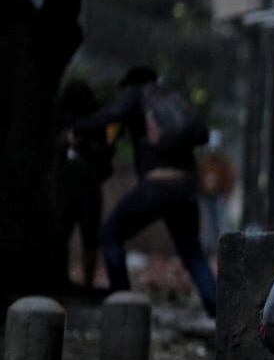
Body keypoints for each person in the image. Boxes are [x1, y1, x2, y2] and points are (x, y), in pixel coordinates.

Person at [73, 66, 217, 316]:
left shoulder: (136, 94)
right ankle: (219, 312)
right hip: (185, 187)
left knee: (109, 234)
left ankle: (122, 304)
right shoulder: (172, 97)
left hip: (156, 184)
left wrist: (75, 126)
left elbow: (108, 115)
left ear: (131, 82)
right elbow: (201, 132)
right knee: (192, 253)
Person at [56, 80, 115, 289]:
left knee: (88, 236)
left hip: (85, 187)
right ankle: (68, 278)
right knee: (66, 234)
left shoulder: (95, 123)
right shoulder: (64, 121)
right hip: (71, 187)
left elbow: (105, 155)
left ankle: (86, 281)